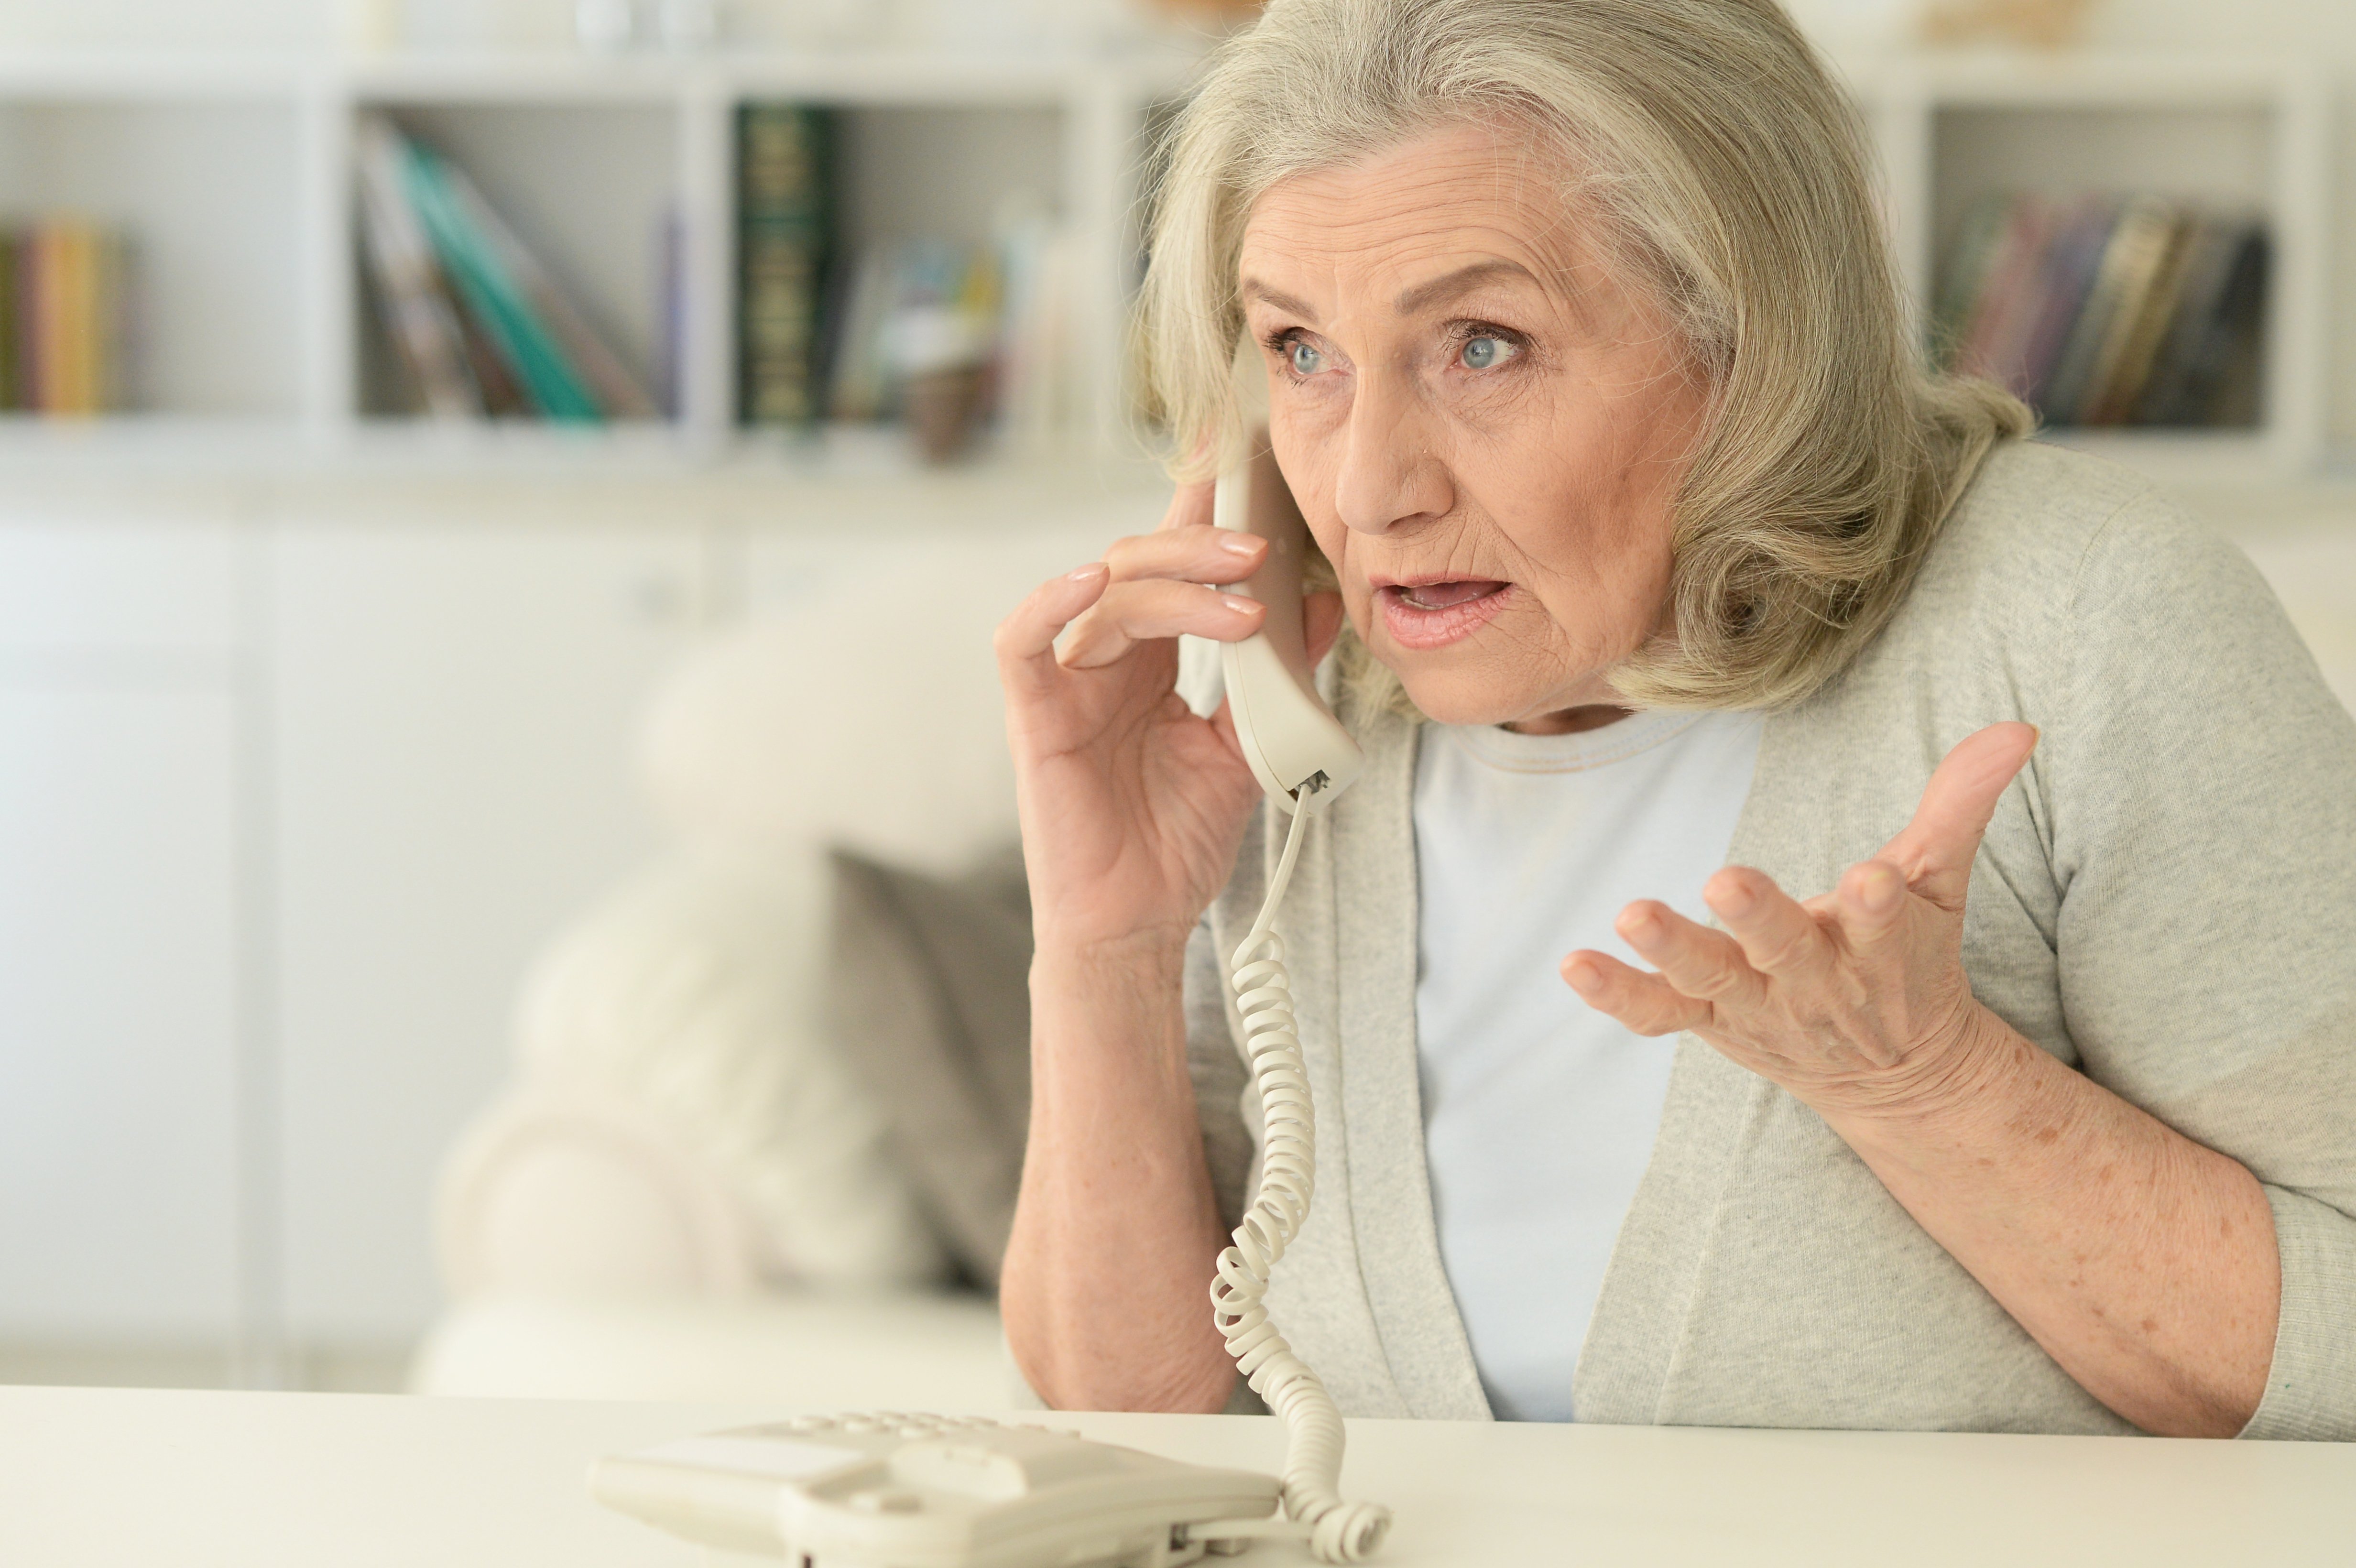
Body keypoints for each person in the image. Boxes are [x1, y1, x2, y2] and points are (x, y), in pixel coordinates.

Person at [993, 0, 2356, 1439]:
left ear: (1748, 343)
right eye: (1302, 351)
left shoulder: (2078, 618)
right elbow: (1132, 1412)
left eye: (1482, 345)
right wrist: (1107, 942)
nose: (1369, 489)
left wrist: (1928, 1090)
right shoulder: (1302, 718)